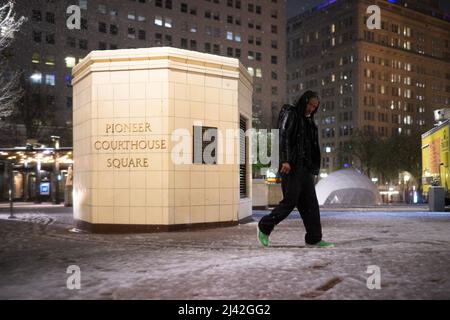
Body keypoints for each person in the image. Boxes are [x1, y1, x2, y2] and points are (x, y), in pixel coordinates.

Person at [257, 91, 335, 248]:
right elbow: (283, 136)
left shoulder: (310, 123)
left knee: (311, 205)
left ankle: (314, 238)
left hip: (305, 169)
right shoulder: (290, 113)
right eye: (310, 104)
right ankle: (264, 227)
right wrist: (285, 160)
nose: (311, 108)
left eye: (315, 107)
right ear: (304, 101)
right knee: (289, 202)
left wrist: (313, 167)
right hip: (291, 168)